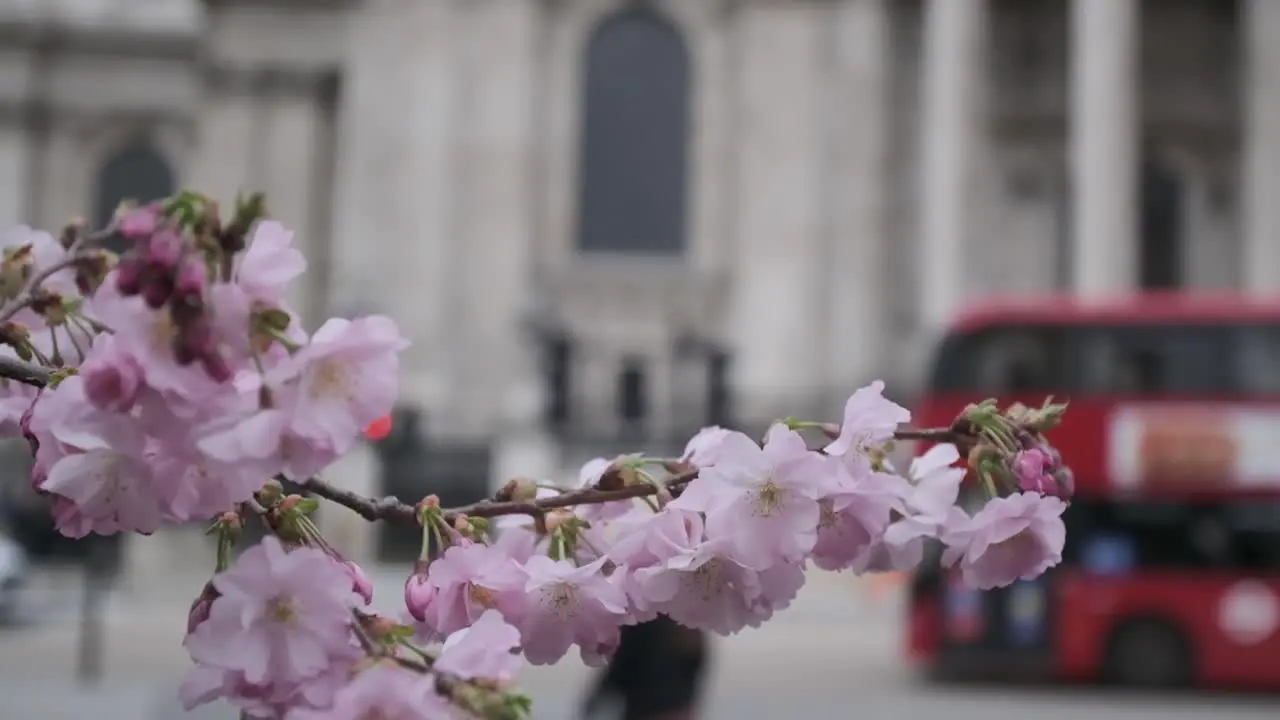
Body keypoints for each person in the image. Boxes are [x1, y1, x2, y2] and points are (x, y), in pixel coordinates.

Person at [582, 614, 709, 720]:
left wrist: (596, 697)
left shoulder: (640, 620)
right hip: (679, 711)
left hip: (644, 710)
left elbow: (622, 665)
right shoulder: (688, 627)